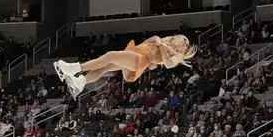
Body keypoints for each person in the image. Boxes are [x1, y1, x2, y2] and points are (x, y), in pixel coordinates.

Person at [54, 35, 197, 98]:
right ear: (177, 36)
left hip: (140, 60)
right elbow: (148, 46)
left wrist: (160, 46)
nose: (184, 43)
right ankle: (80, 83)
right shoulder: (165, 41)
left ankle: (73, 68)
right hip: (137, 52)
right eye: (184, 39)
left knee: (110, 55)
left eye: (186, 44)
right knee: (106, 67)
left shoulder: (177, 55)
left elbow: (168, 64)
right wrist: (155, 41)